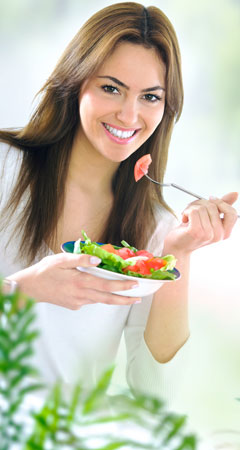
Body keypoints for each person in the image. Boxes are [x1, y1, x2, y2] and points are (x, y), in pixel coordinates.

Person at [0, 2, 238, 400]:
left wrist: (176, 256)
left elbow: (155, 391)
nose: (129, 115)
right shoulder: (6, 166)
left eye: (150, 97)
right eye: (111, 88)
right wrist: (21, 290)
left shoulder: (157, 228)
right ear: (75, 83)